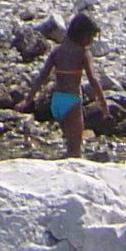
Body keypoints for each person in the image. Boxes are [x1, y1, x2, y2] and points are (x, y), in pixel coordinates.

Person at [18, 11, 107, 158]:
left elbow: (42, 76)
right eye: (91, 37)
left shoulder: (57, 51)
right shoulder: (83, 53)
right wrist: (103, 104)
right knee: (75, 150)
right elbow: (93, 80)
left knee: (69, 145)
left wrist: (28, 99)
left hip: (57, 102)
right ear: (84, 35)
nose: (92, 41)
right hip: (72, 101)